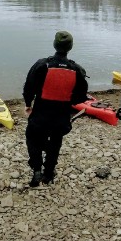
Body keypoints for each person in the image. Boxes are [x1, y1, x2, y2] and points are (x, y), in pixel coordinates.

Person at [23, 31, 88, 187]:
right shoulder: (77, 69)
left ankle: (37, 170)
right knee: (56, 141)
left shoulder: (42, 65)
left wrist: (28, 105)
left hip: (40, 114)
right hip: (61, 116)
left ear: (54, 45)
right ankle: (49, 173)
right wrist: (67, 101)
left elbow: (28, 88)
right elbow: (81, 96)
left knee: (32, 139)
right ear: (70, 47)